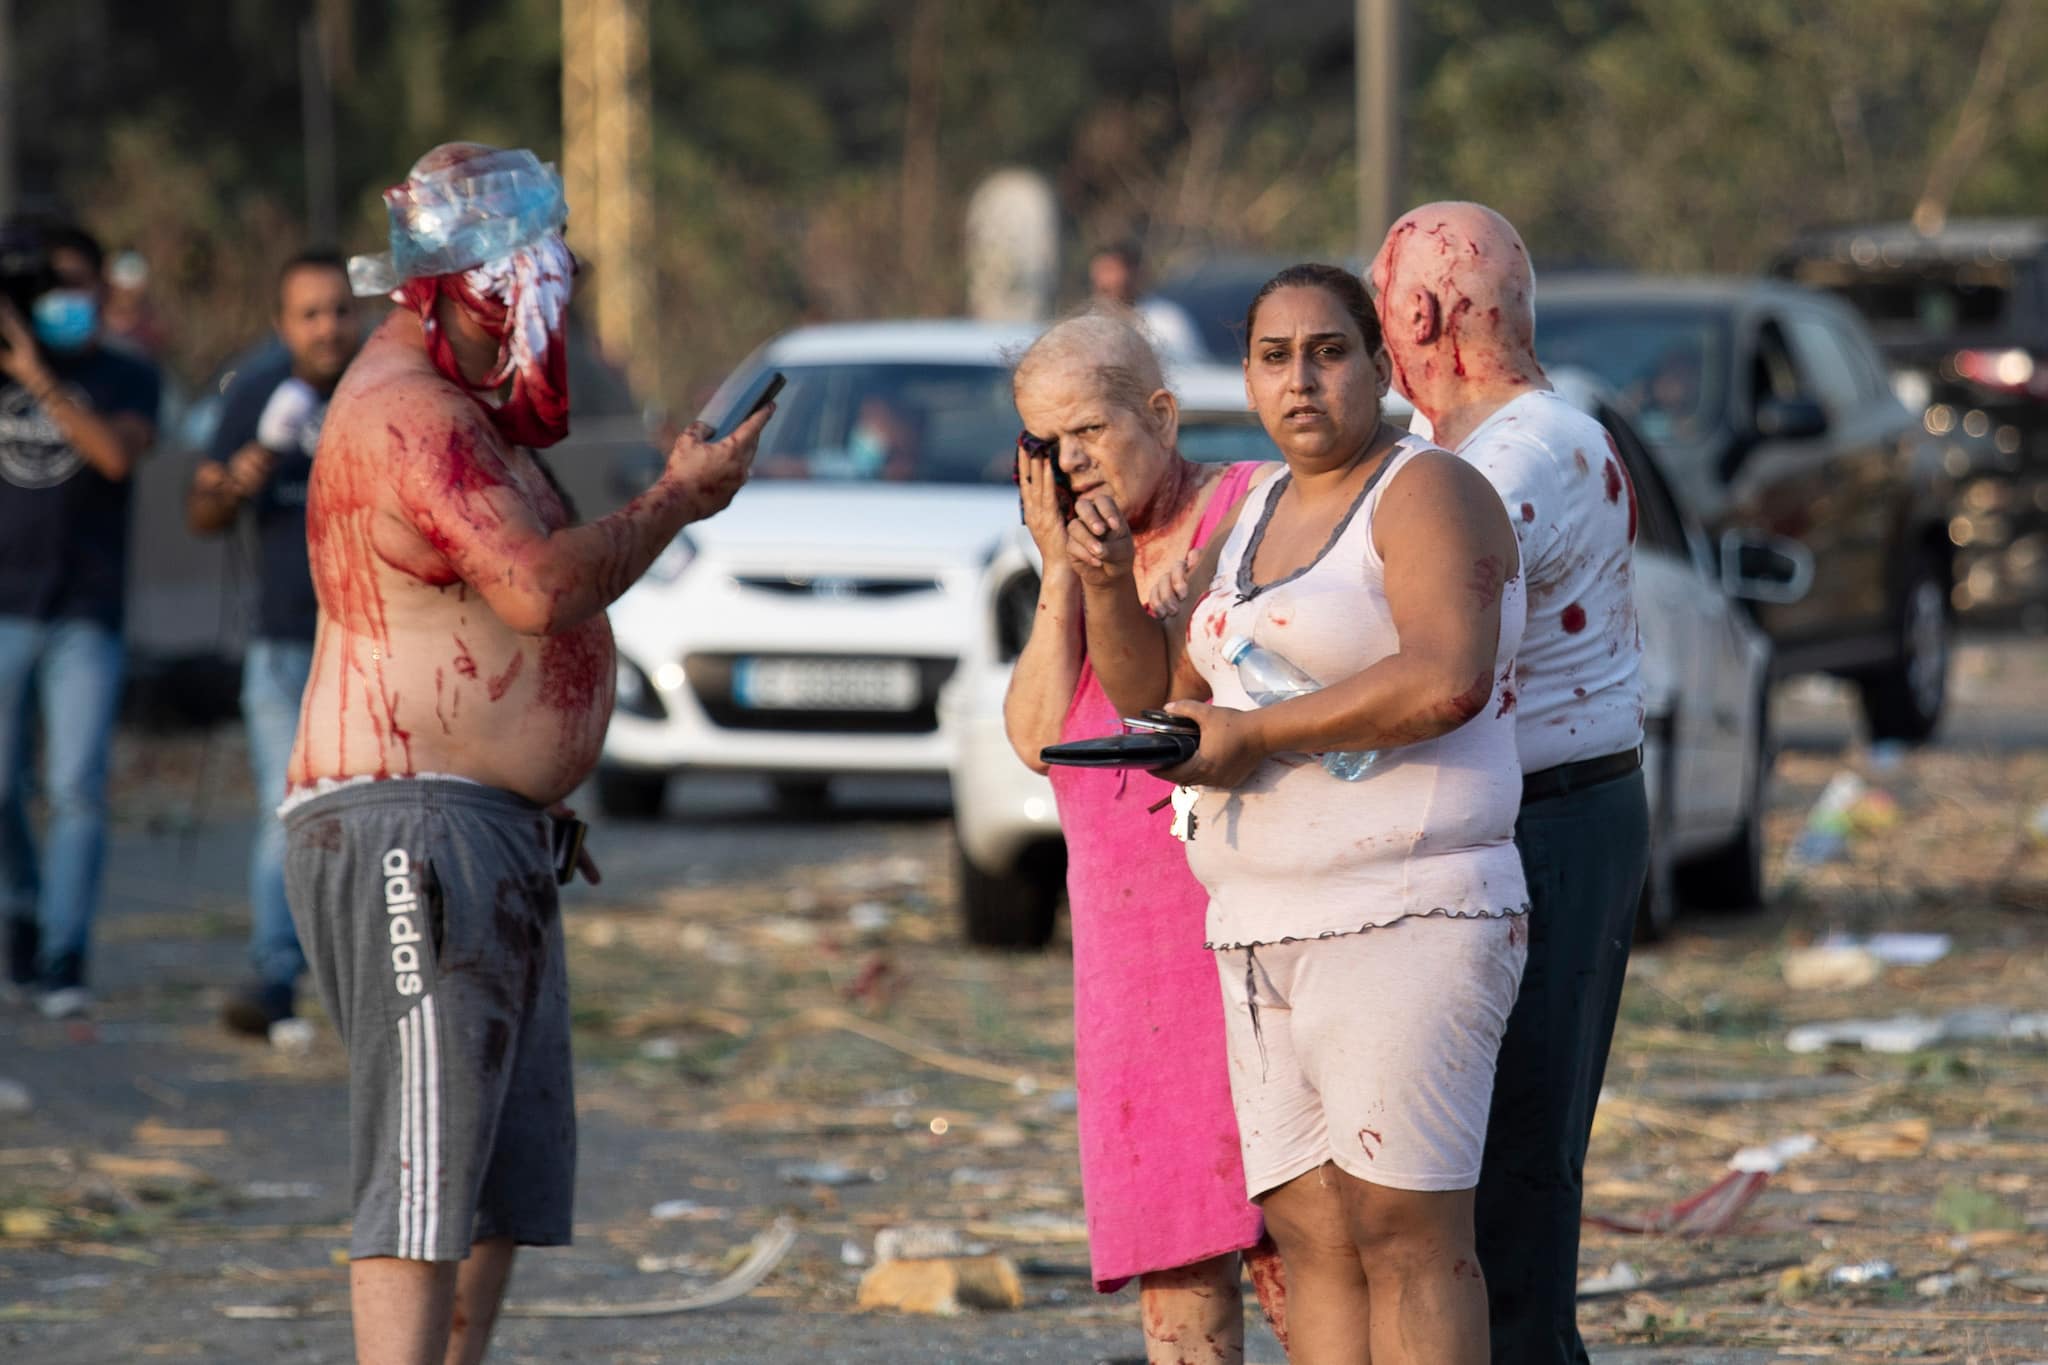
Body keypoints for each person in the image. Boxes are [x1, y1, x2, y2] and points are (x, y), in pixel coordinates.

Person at [283, 143, 769, 1364]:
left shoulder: (464, 410)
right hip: (410, 825)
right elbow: (537, 592)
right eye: (528, 295)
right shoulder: (409, 413)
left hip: (483, 829)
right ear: (461, 288)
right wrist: (676, 501)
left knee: (499, 1171)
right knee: (423, 1156)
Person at [1072, 263, 1528, 1365]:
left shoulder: (1426, 490)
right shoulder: (1252, 513)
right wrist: (1097, 579)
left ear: (1379, 365)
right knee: (1310, 1230)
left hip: (1407, 907)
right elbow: (1157, 698)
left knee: (1406, 1231)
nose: (1300, 381)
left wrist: (1258, 738)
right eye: (1273, 358)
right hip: (1257, 922)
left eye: (1327, 352)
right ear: (1244, 377)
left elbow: (1447, 676)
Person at [1371, 204, 1648, 1365]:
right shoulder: (1523, 439)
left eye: (1377, 317)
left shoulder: (1510, 460)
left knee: (1513, 1177)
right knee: (1483, 1169)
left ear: (1422, 315)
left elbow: (1413, 630)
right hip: (1545, 810)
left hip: (1549, 821)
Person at [1003, 309, 1287, 1363]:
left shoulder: (1245, 506)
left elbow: (1188, 686)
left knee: (1292, 1244)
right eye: (1045, 444)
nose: (1070, 463)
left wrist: (1131, 580)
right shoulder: (1075, 551)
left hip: (1243, 923)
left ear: (1158, 415)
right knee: (1175, 1257)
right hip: (1130, 958)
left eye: (1088, 432)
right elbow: (1036, 738)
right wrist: (1058, 570)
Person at [186, 248, 363, 1040]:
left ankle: (364, 984)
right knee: (286, 812)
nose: (329, 328)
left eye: (340, 310)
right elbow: (201, 512)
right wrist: (232, 485)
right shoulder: (256, 394)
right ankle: (273, 978)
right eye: (311, 314)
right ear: (282, 324)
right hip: (286, 644)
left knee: (369, 818)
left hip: (372, 646)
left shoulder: (385, 389)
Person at [0, 219, 162, 1019]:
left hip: (84, 612)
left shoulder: (128, 375)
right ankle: (23, 907)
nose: (62, 299)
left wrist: (40, 379)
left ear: (102, 287)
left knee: (76, 789)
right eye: (46, 285)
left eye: (76, 283)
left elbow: (116, 455)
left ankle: (65, 951)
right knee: (3, 785)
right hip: (4, 607)